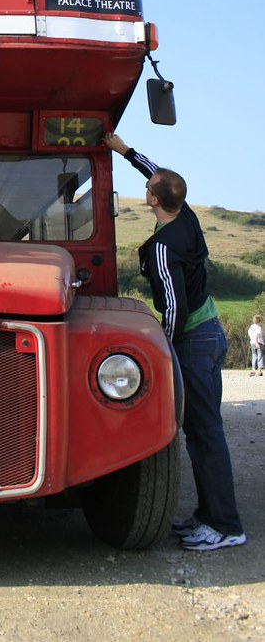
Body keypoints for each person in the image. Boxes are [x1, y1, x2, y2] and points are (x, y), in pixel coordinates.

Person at [104, 132, 246, 552]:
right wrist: (124, 150)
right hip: (211, 330)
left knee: (204, 432)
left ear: (153, 201)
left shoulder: (165, 248)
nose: (145, 187)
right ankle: (207, 515)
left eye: (148, 189)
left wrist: (160, 354)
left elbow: (175, 309)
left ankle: (225, 524)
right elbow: (158, 174)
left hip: (193, 337)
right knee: (203, 430)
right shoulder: (186, 216)